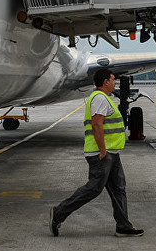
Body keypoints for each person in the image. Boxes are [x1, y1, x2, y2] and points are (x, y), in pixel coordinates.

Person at [49, 68, 144, 237]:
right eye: (113, 79)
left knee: (119, 189)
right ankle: (58, 213)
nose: (115, 82)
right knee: (93, 189)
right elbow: (96, 125)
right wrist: (102, 150)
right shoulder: (99, 98)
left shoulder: (104, 98)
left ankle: (123, 226)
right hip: (102, 154)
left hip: (112, 153)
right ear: (105, 81)